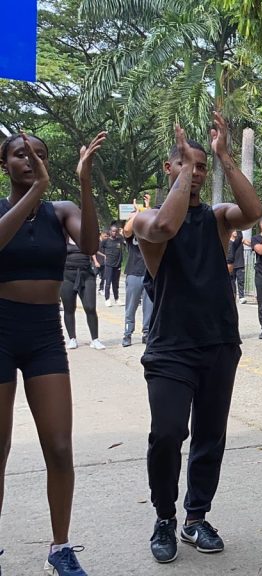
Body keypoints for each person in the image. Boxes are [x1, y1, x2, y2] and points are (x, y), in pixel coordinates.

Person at [131, 114, 262, 564]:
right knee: (167, 434)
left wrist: (224, 156)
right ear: (169, 168)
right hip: (170, 347)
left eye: (201, 167)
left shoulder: (217, 218)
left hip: (218, 343)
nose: (197, 172)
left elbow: (253, 212)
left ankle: (196, 517)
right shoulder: (146, 220)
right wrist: (186, 170)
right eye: (188, 164)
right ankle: (164, 517)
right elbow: (165, 229)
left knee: (210, 435)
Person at [0, 130, 104, 575]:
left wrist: (84, 181)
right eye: (21, 154)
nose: (31, 160)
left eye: (39, 155)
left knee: (60, 447)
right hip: (1, 329)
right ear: (4, 164)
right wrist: (36, 190)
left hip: (44, 333)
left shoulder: (60, 211)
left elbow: (92, 245)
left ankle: (60, 548)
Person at [61, 239, 105, 350]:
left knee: (90, 307)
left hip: (86, 274)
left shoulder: (85, 237)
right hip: (67, 275)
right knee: (69, 308)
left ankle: (95, 339)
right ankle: (72, 338)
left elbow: (94, 249)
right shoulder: (62, 236)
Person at [121, 197, 153, 347]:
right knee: (131, 306)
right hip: (134, 272)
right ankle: (128, 333)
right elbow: (127, 230)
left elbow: (154, 219)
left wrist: (147, 208)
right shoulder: (131, 235)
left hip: (149, 273)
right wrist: (137, 212)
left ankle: (147, 333)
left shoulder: (150, 232)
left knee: (149, 306)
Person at [99, 223, 125, 307]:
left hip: (117, 265)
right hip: (109, 265)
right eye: (113, 231)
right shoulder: (106, 241)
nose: (114, 233)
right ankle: (107, 299)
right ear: (110, 232)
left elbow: (126, 243)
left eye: (116, 231)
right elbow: (97, 249)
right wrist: (104, 256)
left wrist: (122, 234)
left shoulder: (119, 240)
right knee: (108, 282)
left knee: (115, 283)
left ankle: (117, 299)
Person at [226, 229, 246, 304]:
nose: (235, 232)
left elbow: (240, 237)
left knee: (241, 280)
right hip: (230, 263)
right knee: (231, 281)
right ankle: (232, 297)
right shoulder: (228, 240)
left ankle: (241, 296)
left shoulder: (239, 236)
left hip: (239, 262)